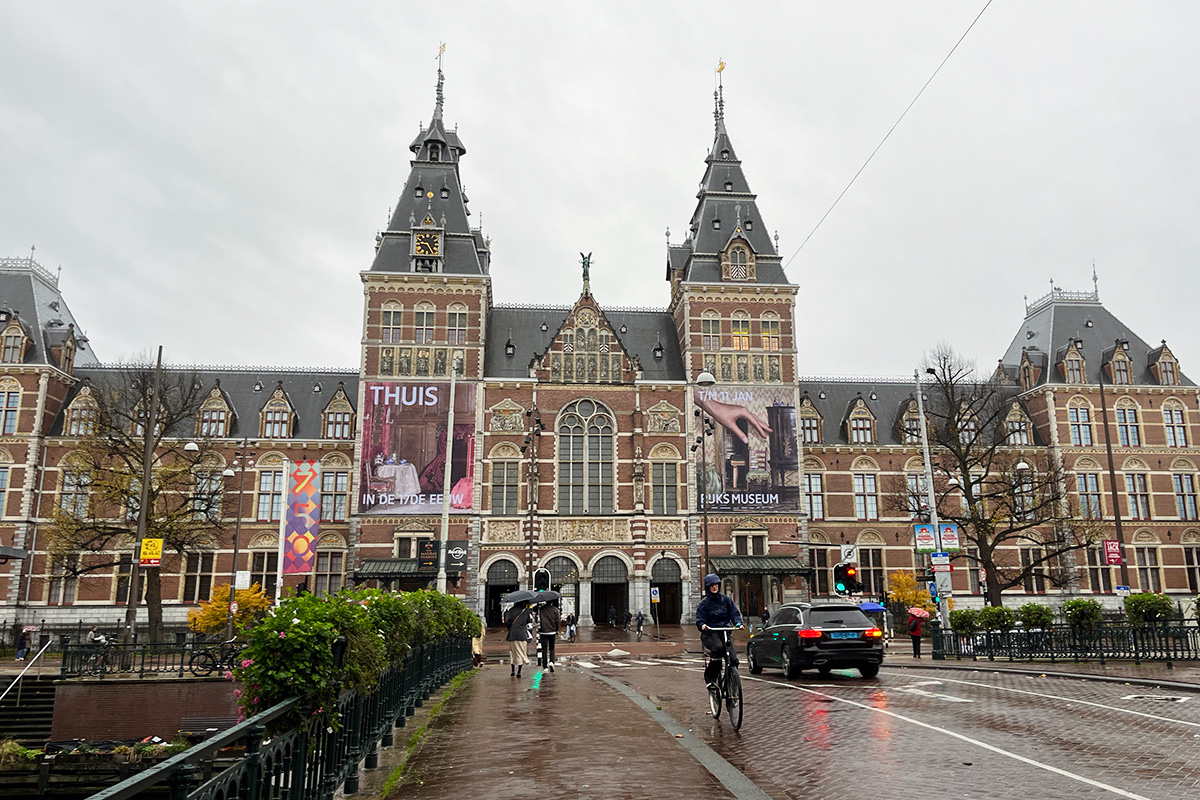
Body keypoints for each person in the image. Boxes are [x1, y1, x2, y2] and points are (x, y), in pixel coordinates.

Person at [695, 573, 743, 690]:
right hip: (710, 633)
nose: (714, 587)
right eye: (712, 585)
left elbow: (735, 614)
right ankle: (710, 678)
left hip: (725, 632)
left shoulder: (726, 600)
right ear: (708, 587)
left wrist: (738, 623)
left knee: (733, 659)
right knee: (718, 648)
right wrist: (702, 625)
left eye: (716, 584)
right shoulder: (704, 603)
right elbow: (699, 619)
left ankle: (730, 686)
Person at [503, 602, 532, 677]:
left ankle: (513, 671)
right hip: (522, 634)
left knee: (513, 653)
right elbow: (528, 621)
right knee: (521, 652)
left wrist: (511, 628)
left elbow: (507, 622)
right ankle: (519, 671)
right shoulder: (525, 611)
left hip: (512, 634)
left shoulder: (511, 610)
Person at [538, 599, 561, 672]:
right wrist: (557, 629)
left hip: (543, 631)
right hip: (552, 631)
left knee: (544, 649)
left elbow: (538, 620)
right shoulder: (555, 609)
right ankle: (551, 661)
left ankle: (545, 667)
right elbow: (558, 621)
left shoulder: (541, 609)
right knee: (552, 648)